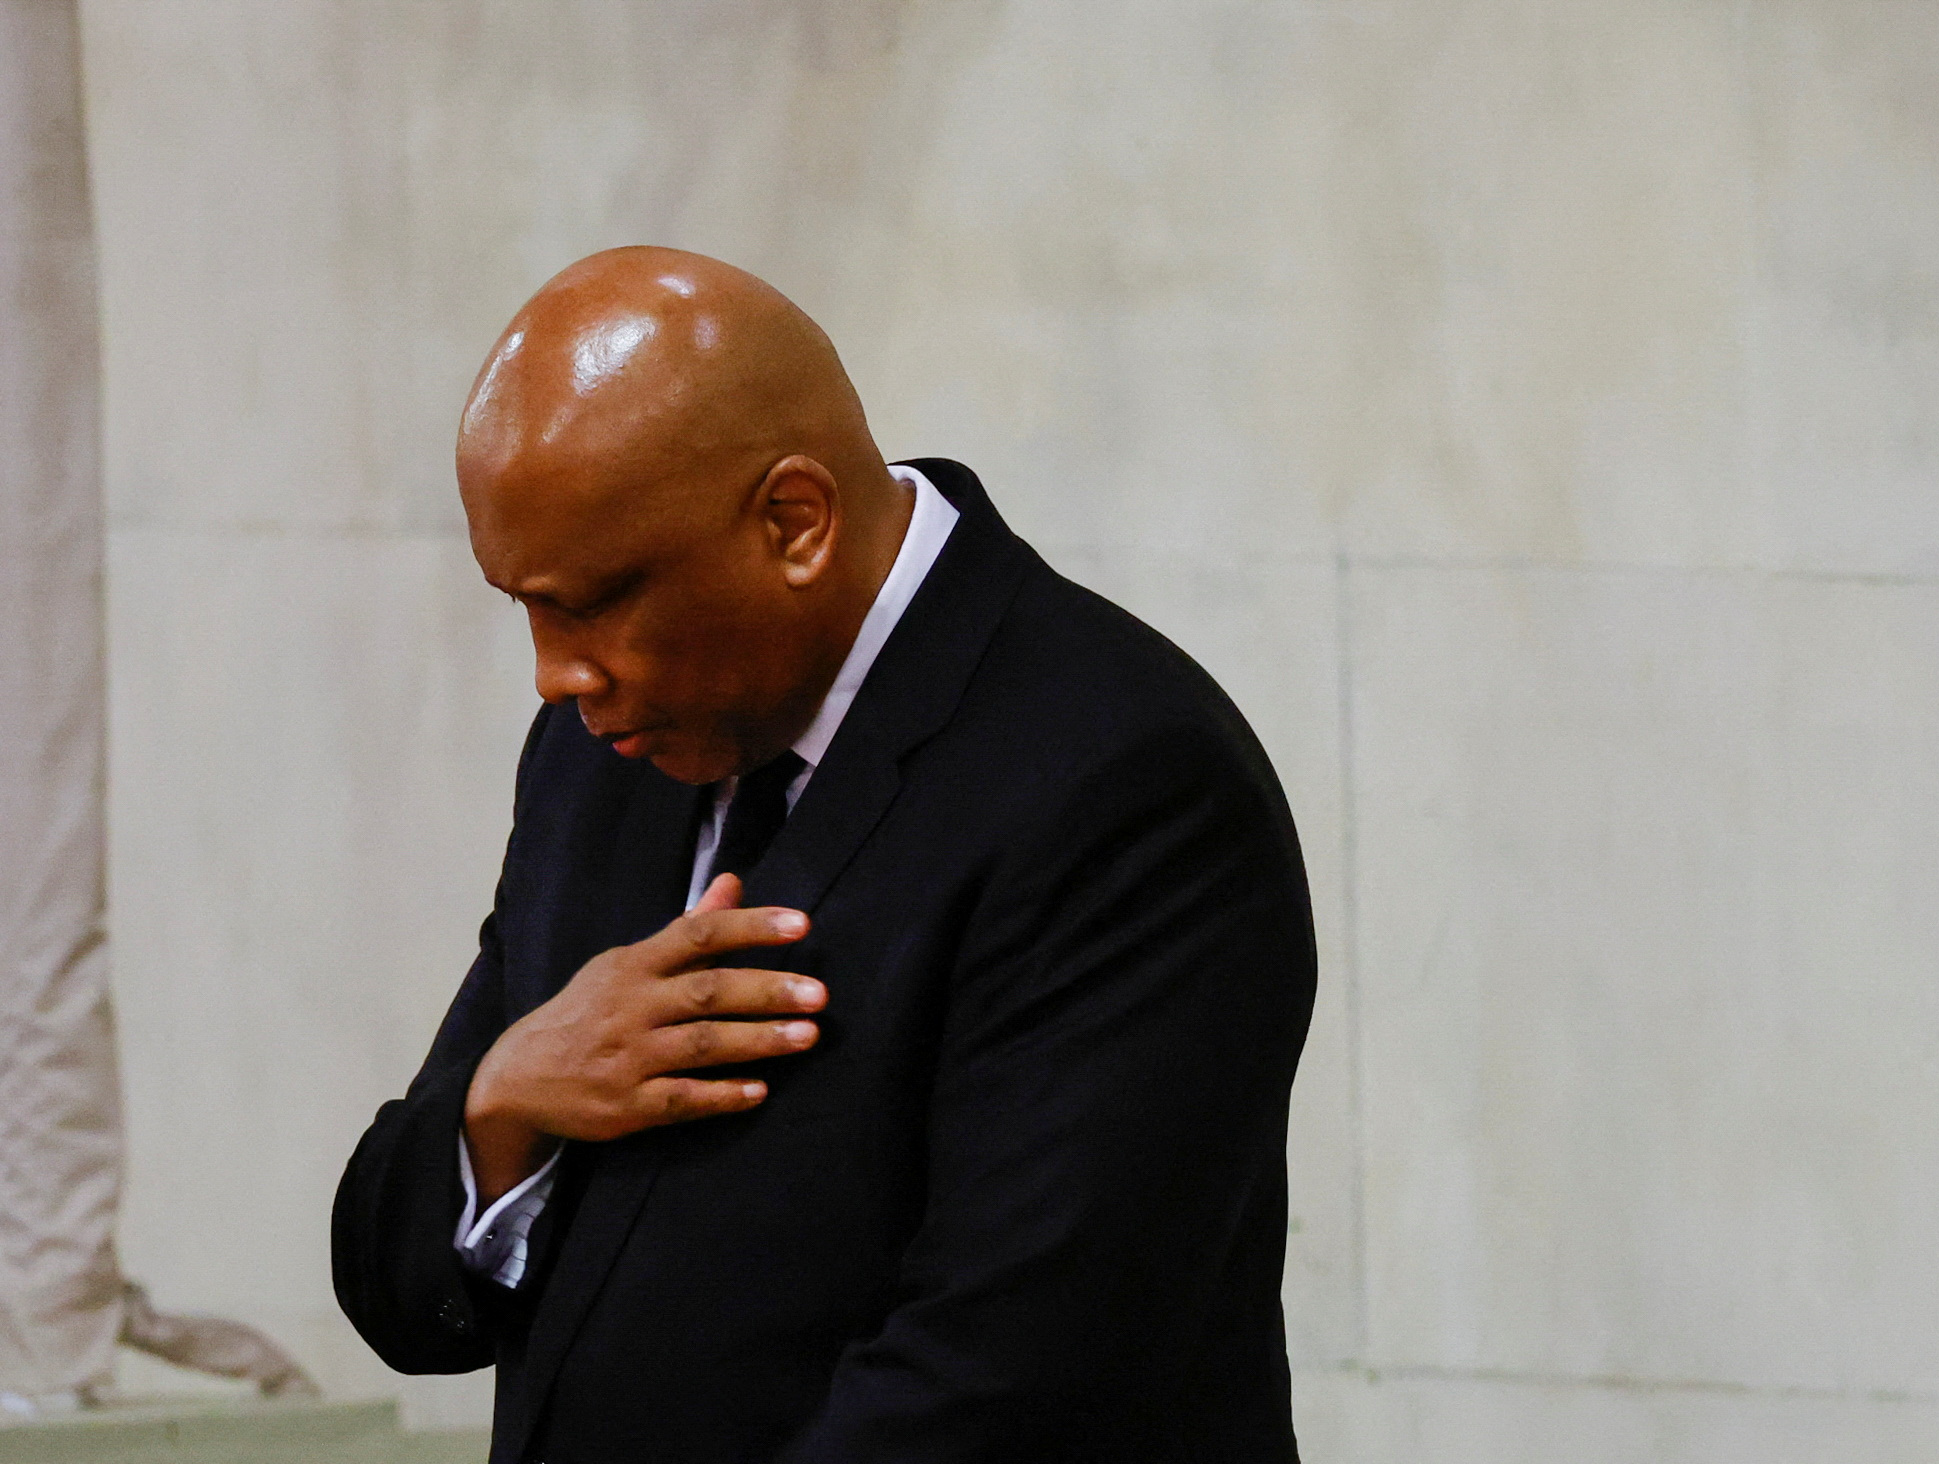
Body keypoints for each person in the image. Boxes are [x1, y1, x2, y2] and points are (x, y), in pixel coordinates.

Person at [332, 247, 1317, 1464]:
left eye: (590, 603)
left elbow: (1011, 1385)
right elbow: (400, 1298)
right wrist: (503, 1102)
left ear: (794, 523)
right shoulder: (601, 751)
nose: (555, 674)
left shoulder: (1126, 781)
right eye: (523, 607)